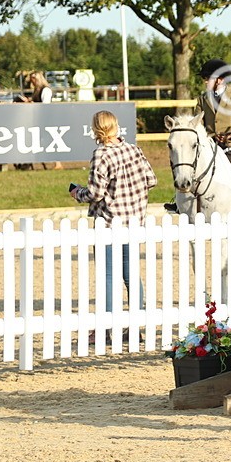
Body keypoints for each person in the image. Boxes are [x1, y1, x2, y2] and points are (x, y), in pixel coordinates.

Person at [70, 110, 158, 320]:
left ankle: (108, 326)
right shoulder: (133, 149)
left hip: (109, 223)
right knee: (131, 274)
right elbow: (151, 180)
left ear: (96, 129)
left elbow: (95, 193)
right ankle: (135, 323)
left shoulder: (101, 154)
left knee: (108, 276)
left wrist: (77, 192)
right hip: (135, 221)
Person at [165, 58, 231, 212]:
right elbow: (197, 123)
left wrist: (230, 135)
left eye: (208, 79)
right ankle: (180, 200)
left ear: (220, 79)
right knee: (189, 160)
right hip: (210, 139)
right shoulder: (202, 99)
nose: (205, 82)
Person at [27, 71, 62, 169]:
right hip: (40, 118)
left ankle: (58, 163)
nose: (31, 83)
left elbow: (45, 105)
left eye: (32, 80)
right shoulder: (37, 90)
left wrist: (32, 103)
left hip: (47, 118)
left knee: (52, 140)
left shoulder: (45, 90)